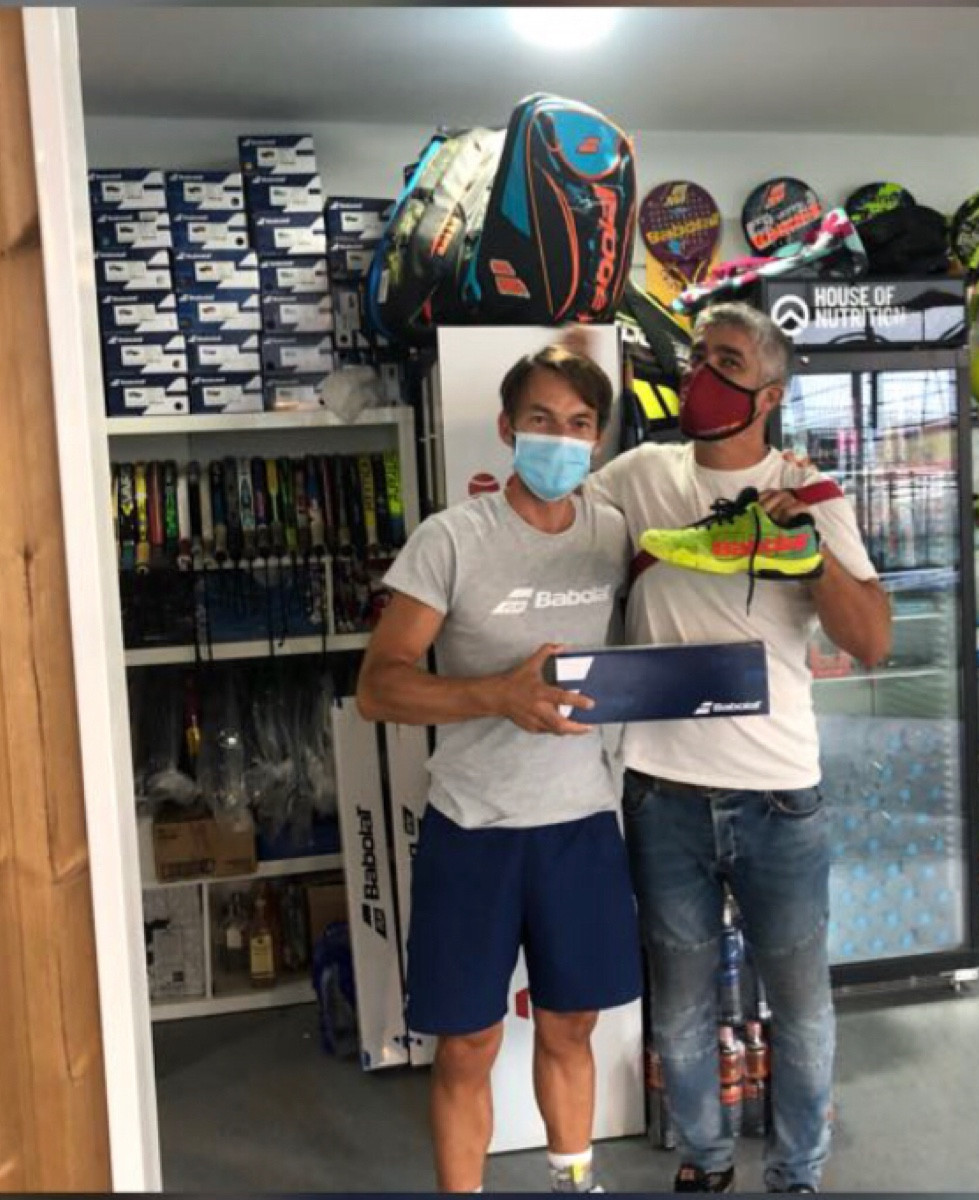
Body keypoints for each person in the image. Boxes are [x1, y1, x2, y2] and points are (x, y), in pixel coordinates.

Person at [583, 302, 891, 1194]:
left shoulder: (812, 492)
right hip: (662, 787)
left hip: (778, 792)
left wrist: (807, 558)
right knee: (679, 1008)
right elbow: (561, 545)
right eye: (698, 358)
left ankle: (796, 1175)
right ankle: (705, 1161)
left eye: (727, 362)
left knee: (801, 1008)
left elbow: (873, 640)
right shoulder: (638, 476)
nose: (703, 376)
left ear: (771, 394)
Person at [355, 344, 641, 1195]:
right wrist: (496, 696)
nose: (562, 437)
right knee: (469, 1042)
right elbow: (378, 688)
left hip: (582, 823)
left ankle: (573, 1180)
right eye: (542, 419)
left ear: (598, 438)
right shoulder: (452, 539)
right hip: (475, 829)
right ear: (508, 428)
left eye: (579, 424)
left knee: (572, 1026)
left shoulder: (612, 534)